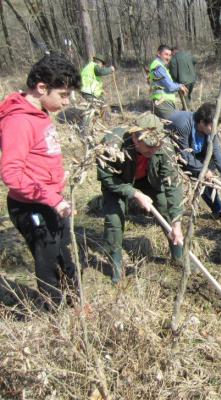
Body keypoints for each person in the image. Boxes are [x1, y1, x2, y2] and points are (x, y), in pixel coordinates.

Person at [0, 54, 81, 307]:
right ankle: (55, 312)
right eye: (64, 94)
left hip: (52, 200)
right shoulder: (19, 121)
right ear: (42, 88)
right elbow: (12, 174)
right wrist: (51, 197)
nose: (67, 102)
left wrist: (59, 180)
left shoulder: (40, 112)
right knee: (47, 261)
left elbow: (39, 156)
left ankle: (76, 304)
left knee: (66, 253)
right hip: (30, 205)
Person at [97, 113, 184, 284]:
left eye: (157, 146)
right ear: (135, 139)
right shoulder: (112, 143)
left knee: (165, 208)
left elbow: (172, 183)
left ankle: (178, 257)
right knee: (114, 220)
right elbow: (106, 177)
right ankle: (116, 264)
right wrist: (135, 194)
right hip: (119, 181)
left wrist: (177, 222)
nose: (154, 151)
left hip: (149, 179)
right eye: (149, 147)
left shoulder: (164, 145)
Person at [168, 103, 221, 218]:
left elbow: (218, 156)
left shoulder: (211, 131)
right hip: (174, 153)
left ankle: (218, 211)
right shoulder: (182, 124)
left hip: (193, 153)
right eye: (211, 126)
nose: (215, 129)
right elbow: (184, 155)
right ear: (201, 122)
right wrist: (203, 169)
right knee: (200, 174)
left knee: (207, 178)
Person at [148, 44, 189, 120]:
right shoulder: (158, 67)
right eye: (166, 54)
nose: (168, 57)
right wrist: (180, 86)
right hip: (163, 103)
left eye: (170, 55)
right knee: (177, 123)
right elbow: (170, 86)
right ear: (159, 54)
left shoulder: (158, 66)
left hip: (161, 102)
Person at [168, 43, 197, 107]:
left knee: (184, 98)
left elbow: (173, 74)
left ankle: (187, 111)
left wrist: (176, 82)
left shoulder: (173, 60)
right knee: (188, 95)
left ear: (173, 52)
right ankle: (190, 107)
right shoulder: (187, 54)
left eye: (171, 53)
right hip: (193, 79)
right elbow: (195, 60)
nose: (170, 55)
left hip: (183, 82)